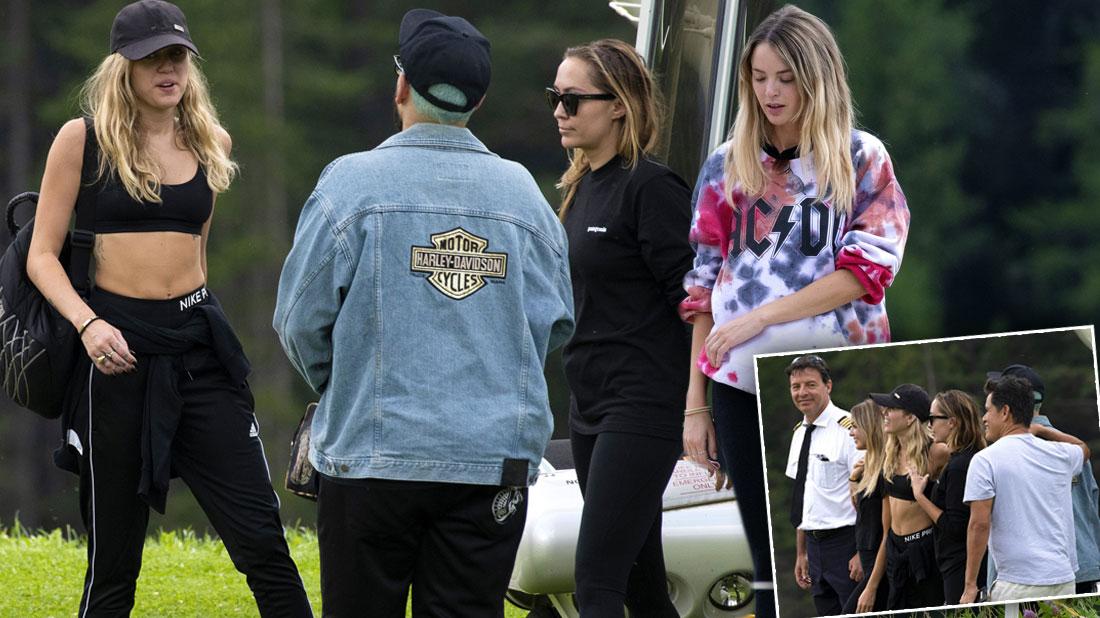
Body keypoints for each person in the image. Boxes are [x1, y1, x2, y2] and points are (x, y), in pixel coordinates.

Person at [273, 9, 574, 617]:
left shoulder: (350, 186)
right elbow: (557, 322)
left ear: (402, 85)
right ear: (478, 101)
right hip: (491, 463)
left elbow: (298, 321)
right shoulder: (525, 196)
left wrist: (349, 381)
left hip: (370, 459)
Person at [26, 2, 312, 616]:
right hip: (114, 358)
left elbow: (195, 255)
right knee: (113, 562)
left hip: (197, 352)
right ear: (122, 66)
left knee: (264, 542)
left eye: (177, 56)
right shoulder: (82, 140)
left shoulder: (212, 141)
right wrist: (89, 324)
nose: (167, 69)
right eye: (152, 57)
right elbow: (41, 257)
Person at [679, 6, 909, 618]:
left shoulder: (861, 158)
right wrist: (694, 406)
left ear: (818, 79)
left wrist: (763, 316)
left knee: (857, 545)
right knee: (771, 562)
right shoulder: (727, 164)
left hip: (842, 381)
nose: (771, 92)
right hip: (738, 386)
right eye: (759, 77)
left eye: (786, 77)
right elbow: (702, 292)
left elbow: (867, 273)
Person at [549, 39, 693, 616]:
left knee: (596, 579)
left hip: (642, 404)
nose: (559, 110)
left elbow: (694, 306)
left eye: (572, 99)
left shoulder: (651, 188)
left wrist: (699, 406)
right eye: (554, 97)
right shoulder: (581, 185)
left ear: (618, 105)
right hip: (588, 401)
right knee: (640, 581)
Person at [961, 375, 1091, 603]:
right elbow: (1083, 448)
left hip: (1017, 583)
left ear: (1005, 412)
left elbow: (979, 524)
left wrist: (970, 586)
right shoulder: (1059, 454)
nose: (983, 418)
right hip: (1062, 579)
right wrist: (1042, 431)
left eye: (988, 410)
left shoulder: (985, 460)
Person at [986, 364, 1100, 594]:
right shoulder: (1073, 449)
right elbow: (1092, 507)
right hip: (1086, 570)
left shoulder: (1003, 455)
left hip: (1032, 580)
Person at [782, 355, 862, 616]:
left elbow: (868, 494)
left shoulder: (850, 429)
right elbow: (803, 498)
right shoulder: (799, 433)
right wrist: (801, 552)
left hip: (847, 544)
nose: (802, 392)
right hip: (814, 549)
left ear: (828, 386)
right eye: (796, 387)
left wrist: (863, 551)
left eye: (810, 384)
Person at [859, 384, 948, 611]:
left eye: (891, 408)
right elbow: (887, 530)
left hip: (925, 551)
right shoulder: (890, 455)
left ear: (909, 418)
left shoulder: (936, 452)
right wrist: (871, 586)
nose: (884, 413)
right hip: (895, 552)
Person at [909, 390, 988, 604]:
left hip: (960, 565)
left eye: (933, 418)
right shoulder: (965, 458)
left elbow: (955, 526)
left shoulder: (959, 466)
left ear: (952, 422)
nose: (930, 424)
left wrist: (920, 496)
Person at [842, 399, 890, 614]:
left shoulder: (886, 470)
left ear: (870, 427)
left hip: (881, 567)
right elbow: (861, 511)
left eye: (855, 427)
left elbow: (888, 531)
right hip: (869, 558)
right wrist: (853, 479)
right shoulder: (867, 464)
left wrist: (872, 585)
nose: (851, 433)